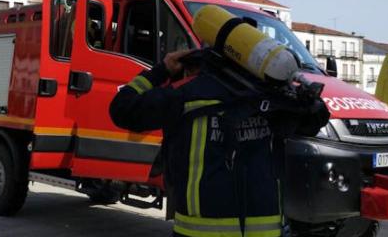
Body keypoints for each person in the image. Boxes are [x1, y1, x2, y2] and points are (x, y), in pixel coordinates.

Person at [109, 49, 329, 237]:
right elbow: (316, 118)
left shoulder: (185, 96)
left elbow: (122, 108)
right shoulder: (272, 101)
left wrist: (162, 70)